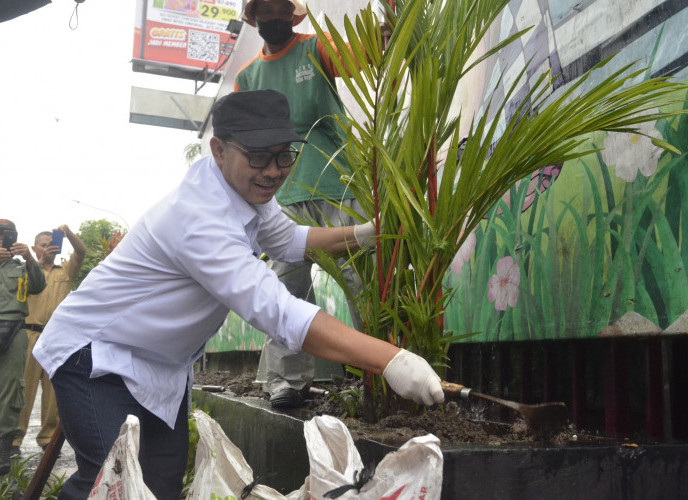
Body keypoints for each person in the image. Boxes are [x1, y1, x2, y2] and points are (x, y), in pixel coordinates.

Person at [33, 90, 443, 499]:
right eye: (259, 157)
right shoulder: (199, 218)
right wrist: (391, 360)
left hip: (161, 367)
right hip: (98, 356)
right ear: (218, 149)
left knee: (157, 487)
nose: (273, 171)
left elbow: (289, 240)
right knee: (112, 486)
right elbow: (280, 312)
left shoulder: (243, 188)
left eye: (285, 156)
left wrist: (362, 233)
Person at [236, 0, 372, 408]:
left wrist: (381, 36)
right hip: (282, 200)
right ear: (253, 16)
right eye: (267, 9)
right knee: (283, 291)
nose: (275, 16)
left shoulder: (317, 49)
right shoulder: (248, 77)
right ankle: (288, 381)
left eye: (282, 8)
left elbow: (362, 54)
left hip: (338, 187)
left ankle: (377, 375)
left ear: (292, 15)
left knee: (361, 285)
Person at [11, 225, 86, 456]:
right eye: (43, 245)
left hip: (56, 337)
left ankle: (47, 439)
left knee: (53, 393)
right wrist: (35, 260)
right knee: (24, 389)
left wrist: (68, 234)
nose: (48, 248)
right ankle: (14, 440)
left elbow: (81, 252)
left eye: (51, 244)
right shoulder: (24, 270)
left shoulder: (65, 271)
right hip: (29, 334)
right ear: (34, 248)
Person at [0, 219, 46, 475]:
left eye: (6, 236)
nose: (2, 240)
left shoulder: (21, 266)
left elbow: (38, 286)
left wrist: (29, 258)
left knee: (10, 391)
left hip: (14, 330)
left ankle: (4, 448)